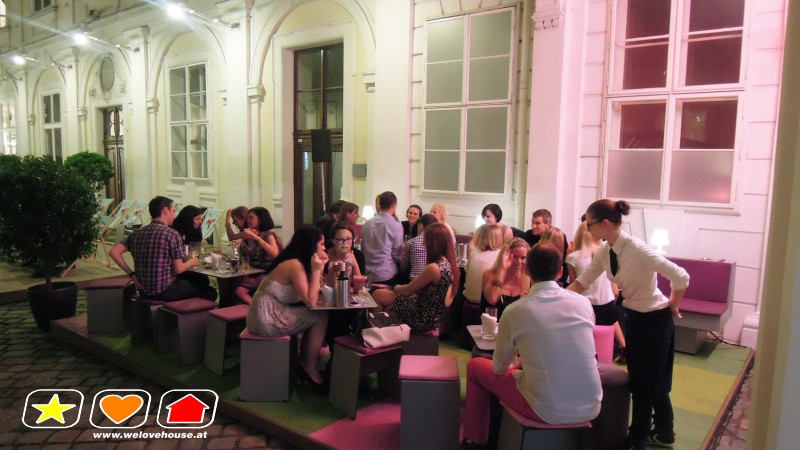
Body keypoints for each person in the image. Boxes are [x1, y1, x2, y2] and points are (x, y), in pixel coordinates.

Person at [568, 199, 689, 449]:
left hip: (655, 319)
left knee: (645, 383)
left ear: (604, 223)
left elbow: (680, 275)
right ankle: (665, 432)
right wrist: (555, 297)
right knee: (647, 379)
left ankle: (637, 437)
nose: (587, 229)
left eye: (589, 224)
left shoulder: (637, 248)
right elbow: (583, 281)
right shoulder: (606, 251)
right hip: (634, 317)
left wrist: (673, 304)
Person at [462, 242, 602, 447]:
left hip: (547, 408)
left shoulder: (516, 310)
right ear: (560, 271)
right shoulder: (583, 303)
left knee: (475, 367)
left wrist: (518, 362)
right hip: (592, 405)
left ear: (527, 269)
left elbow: (499, 368)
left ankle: (476, 440)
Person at [246, 226, 329, 389]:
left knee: (315, 315)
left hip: (264, 314)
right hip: (267, 319)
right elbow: (311, 302)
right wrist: (317, 271)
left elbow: (312, 294)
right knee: (321, 316)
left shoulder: (295, 262)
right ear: (311, 246)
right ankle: (310, 367)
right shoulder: (294, 265)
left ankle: (304, 362)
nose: (325, 248)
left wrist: (318, 270)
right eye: (321, 244)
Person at [108, 196, 217, 302]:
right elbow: (179, 269)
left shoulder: (137, 232)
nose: (174, 216)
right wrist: (193, 261)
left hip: (143, 290)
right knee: (210, 292)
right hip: (166, 290)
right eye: (173, 211)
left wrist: (132, 274)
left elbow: (113, 252)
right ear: (165, 210)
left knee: (197, 283)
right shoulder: (172, 234)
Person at [372, 223, 459, 332]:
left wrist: (396, 287)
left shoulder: (434, 268)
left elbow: (407, 290)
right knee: (389, 301)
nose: (422, 243)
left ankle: (377, 332)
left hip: (422, 318)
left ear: (433, 242)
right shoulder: (448, 264)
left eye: (425, 239)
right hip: (432, 317)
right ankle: (385, 330)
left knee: (378, 294)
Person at [566, 220, 626, 357]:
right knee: (612, 317)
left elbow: (575, 285)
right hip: (608, 306)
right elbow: (615, 290)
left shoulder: (572, 257)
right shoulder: (607, 253)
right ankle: (623, 346)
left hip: (585, 307)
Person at [235, 207, 282, 304]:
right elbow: (251, 254)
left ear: (260, 219)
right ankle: (257, 307)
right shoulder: (257, 234)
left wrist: (257, 238)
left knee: (238, 282)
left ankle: (260, 307)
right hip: (260, 270)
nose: (248, 220)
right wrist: (242, 243)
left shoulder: (269, 234)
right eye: (248, 218)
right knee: (239, 290)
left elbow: (274, 253)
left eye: (251, 217)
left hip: (270, 272)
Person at [361, 191, 404, 286]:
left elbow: (363, 249)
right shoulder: (396, 225)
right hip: (386, 273)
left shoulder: (367, 223)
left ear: (379, 204)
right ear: (394, 205)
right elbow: (396, 254)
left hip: (368, 272)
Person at [481, 238, 531, 318]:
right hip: (493, 324)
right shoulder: (489, 274)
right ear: (505, 256)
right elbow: (492, 299)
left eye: (523, 258)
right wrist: (502, 269)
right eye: (515, 257)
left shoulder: (528, 278)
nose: (519, 262)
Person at [463, 224, 503, 305]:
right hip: (488, 303)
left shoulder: (473, 253)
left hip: (469, 300)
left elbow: (466, 274)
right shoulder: (501, 255)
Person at [399, 213, 438, 281]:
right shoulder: (439, 242)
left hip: (414, 282)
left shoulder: (411, 242)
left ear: (421, 225)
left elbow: (404, 268)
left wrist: (401, 255)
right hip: (432, 282)